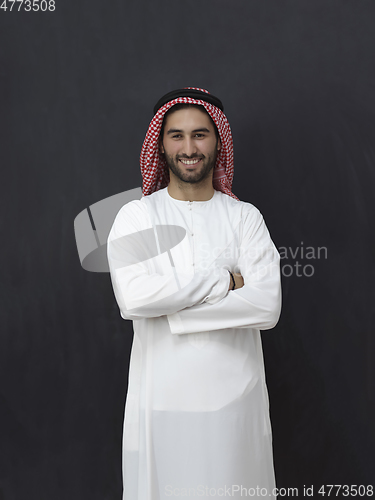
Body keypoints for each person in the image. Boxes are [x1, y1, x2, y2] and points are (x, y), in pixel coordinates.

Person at [107, 87, 282, 499]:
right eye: (176, 135)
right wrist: (223, 281)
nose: (189, 147)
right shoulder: (136, 216)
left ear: (218, 141)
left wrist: (176, 312)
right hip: (161, 405)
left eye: (200, 134)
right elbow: (134, 299)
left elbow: (267, 305)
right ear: (161, 144)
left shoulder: (245, 218)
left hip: (235, 408)